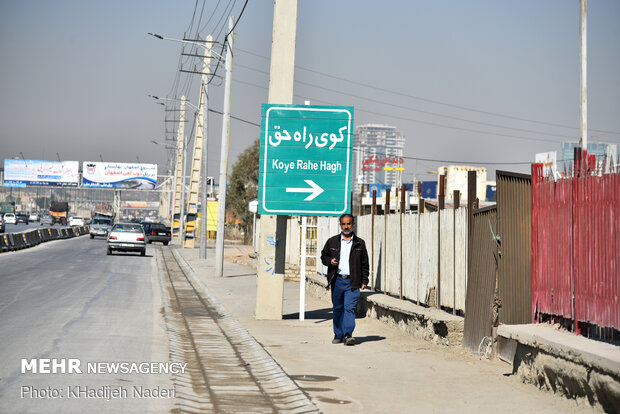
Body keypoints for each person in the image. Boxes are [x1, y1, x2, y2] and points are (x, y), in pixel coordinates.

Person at [320, 213, 369, 346]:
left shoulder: (360, 243)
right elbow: (323, 256)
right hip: (337, 280)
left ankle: (348, 334)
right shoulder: (332, 241)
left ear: (353, 224)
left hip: (353, 281)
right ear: (340, 225)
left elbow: (365, 264)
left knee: (349, 308)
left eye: (348, 224)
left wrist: (365, 280)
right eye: (343, 224)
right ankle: (338, 334)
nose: (346, 226)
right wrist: (330, 261)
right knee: (338, 308)